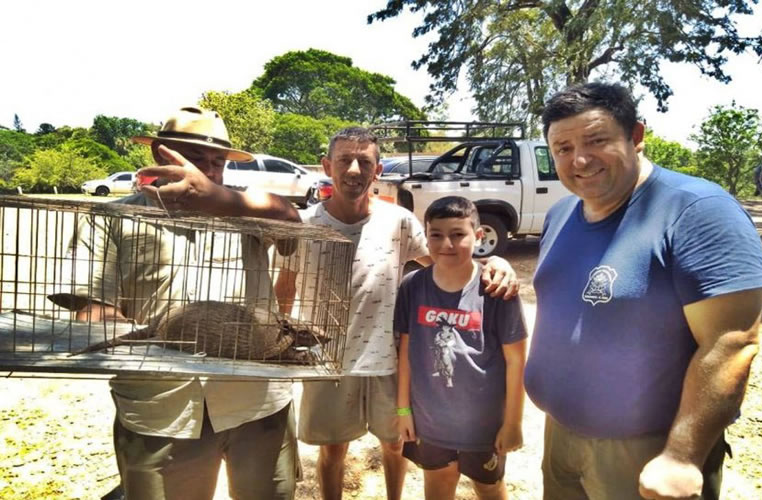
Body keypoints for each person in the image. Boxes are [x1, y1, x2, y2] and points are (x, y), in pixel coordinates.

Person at [524, 83, 762, 500]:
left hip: (645, 450)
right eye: (562, 148)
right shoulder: (562, 212)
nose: (579, 159)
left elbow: (731, 342)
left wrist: (681, 455)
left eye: (596, 140)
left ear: (636, 137)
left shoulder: (697, 211)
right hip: (561, 434)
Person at [53, 107, 302, 500]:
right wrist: (151, 338)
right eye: (195, 159)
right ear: (161, 155)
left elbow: (291, 222)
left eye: (216, 163)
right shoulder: (112, 217)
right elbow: (90, 307)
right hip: (160, 404)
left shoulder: (244, 211)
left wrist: (222, 200)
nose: (205, 171)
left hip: (255, 398)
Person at [274, 127, 519, 500]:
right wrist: (280, 347)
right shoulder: (303, 226)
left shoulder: (398, 221)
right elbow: (285, 287)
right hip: (326, 362)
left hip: (387, 359)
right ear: (327, 166)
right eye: (344, 160)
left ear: (378, 170)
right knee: (332, 451)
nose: (354, 169)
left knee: (395, 446)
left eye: (365, 162)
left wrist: (494, 261)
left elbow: (441, 260)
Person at [394, 196, 527, 500]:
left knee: (489, 488)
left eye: (458, 234)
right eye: (436, 235)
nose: (447, 244)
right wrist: (403, 410)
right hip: (430, 420)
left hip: (483, 424)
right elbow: (406, 353)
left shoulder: (496, 288)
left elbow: (516, 361)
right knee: (438, 486)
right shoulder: (413, 286)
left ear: (478, 236)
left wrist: (512, 423)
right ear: (425, 237)